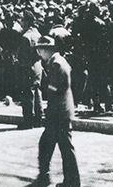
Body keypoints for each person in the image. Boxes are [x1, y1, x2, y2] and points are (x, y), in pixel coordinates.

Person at [34, 35, 80, 187]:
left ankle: (68, 181)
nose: (39, 53)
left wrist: (46, 87)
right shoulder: (59, 61)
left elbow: (55, 88)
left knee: (61, 146)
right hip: (62, 110)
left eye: (40, 49)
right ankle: (64, 179)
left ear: (46, 49)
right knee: (56, 145)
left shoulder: (56, 64)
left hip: (58, 111)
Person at [19, 11, 43, 129]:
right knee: (37, 91)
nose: (20, 22)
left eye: (22, 20)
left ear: (27, 21)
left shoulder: (25, 37)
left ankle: (28, 119)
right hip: (38, 64)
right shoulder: (37, 33)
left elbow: (23, 56)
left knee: (27, 93)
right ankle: (38, 118)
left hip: (28, 66)